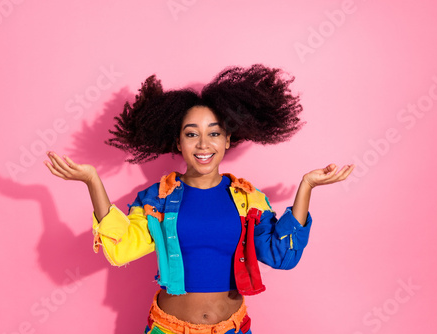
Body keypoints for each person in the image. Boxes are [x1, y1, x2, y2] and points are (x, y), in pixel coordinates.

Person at [44, 64, 354, 334]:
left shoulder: (249, 199)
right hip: (169, 329)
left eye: (214, 133)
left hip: (232, 329)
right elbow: (121, 249)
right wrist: (92, 182)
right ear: (177, 142)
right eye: (191, 134)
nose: (203, 143)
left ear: (228, 139)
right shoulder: (157, 198)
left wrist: (307, 186)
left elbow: (280, 255)